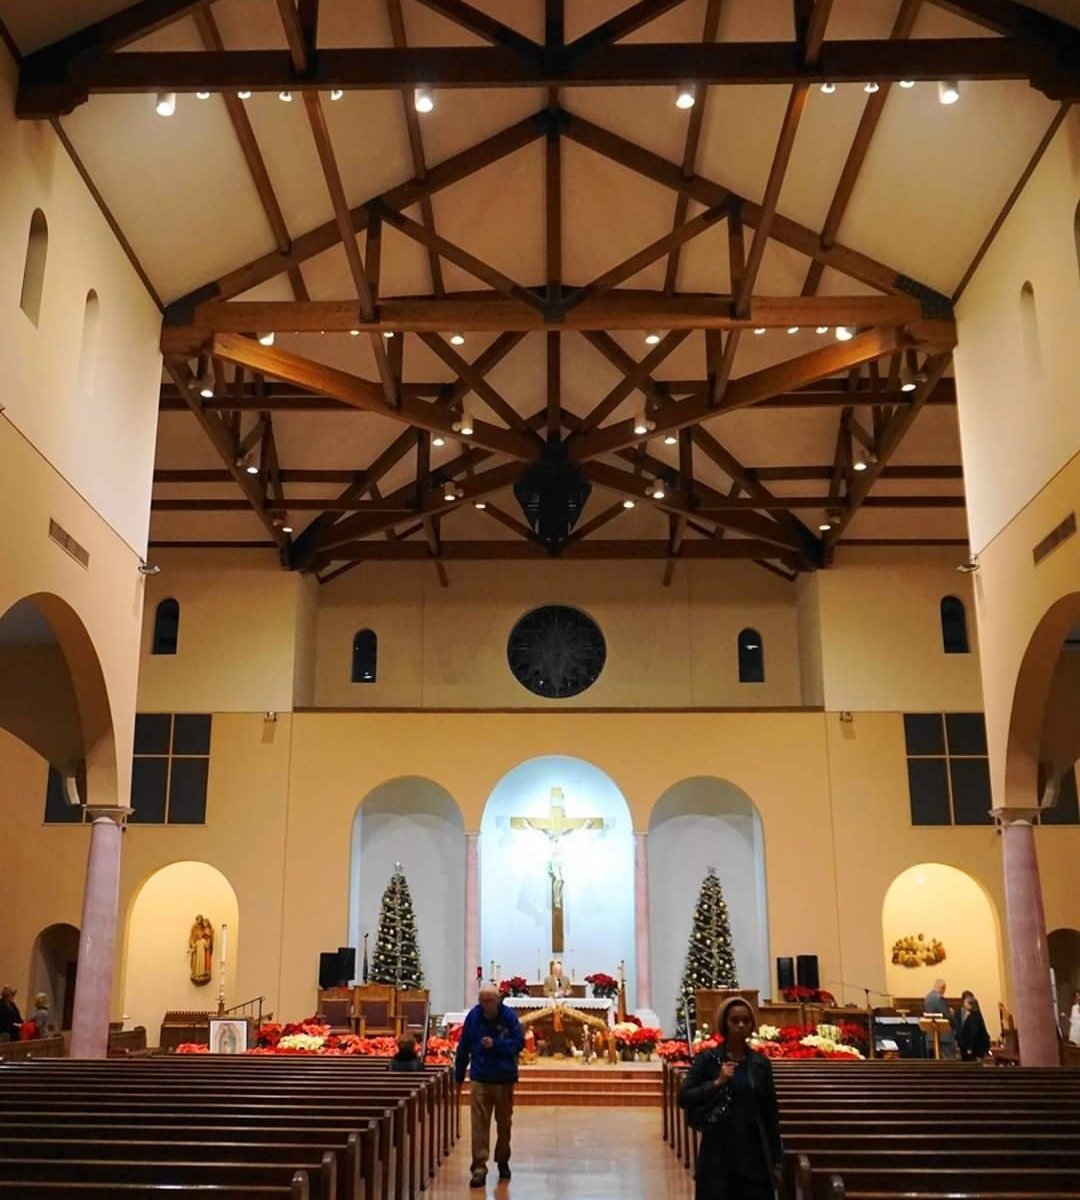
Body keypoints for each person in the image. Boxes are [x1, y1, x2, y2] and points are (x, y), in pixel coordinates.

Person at [678, 997, 783, 1200]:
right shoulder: (708, 1060)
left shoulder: (761, 1064)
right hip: (718, 1153)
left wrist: (777, 1161)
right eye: (735, 1020)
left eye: (745, 1020)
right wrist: (717, 1082)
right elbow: (684, 1097)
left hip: (754, 1156)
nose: (741, 1025)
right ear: (725, 1024)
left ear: (752, 1024)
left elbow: (771, 1114)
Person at [454, 983, 525, 1189]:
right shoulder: (474, 1018)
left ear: (498, 999)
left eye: (489, 1001)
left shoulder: (509, 1017)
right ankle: (479, 1168)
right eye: (482, 1001)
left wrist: (496, 1044)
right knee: (479, 1126)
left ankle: (502, 1161)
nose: (486, 1005)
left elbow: (518, 1043)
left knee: (504, 1124)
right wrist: (459, 1077)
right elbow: (464, 1047)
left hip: (503, 1078)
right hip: (480, 1077)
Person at [924, 978, 956, 1059]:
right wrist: (951, 1014)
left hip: (932, 1034)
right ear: (942, 988)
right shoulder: (939, 998)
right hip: (944, 1035)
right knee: (949, 1061)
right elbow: (946, 1015)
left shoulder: (927, 997)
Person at [955, 991, 990, 1061]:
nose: (964, 1005)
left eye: (965, 1003)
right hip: (970, 1047)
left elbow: (973, 1033)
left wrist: (970, 1047)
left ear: (970, 1005)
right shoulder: (974, 1015)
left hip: (973, 1049)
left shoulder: (974, 1017)